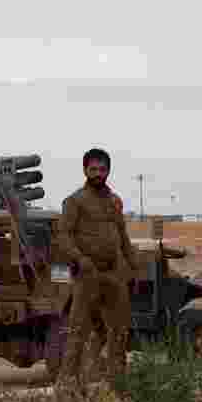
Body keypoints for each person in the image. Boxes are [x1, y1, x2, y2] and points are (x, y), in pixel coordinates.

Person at [56, 148, 137, 387]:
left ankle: (117, 384)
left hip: (113, 273)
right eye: (93, 169)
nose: (98, 174)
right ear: (85, 170)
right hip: (87, 275)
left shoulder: (114, 201)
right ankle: (67, 385)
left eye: (102, 169)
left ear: (108, 171)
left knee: (119, 331)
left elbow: (122, 236)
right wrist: (81, 259)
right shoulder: (75, 201)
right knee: (78, 331)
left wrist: (134, 267)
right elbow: (63, 236)